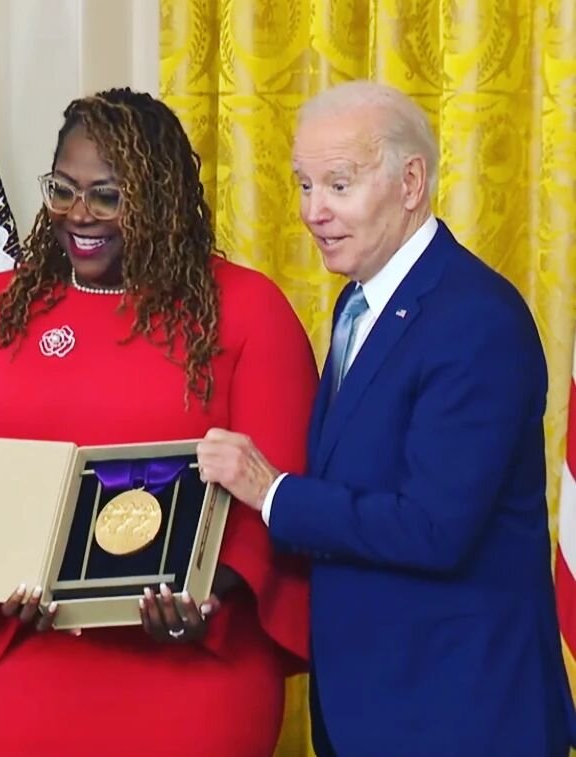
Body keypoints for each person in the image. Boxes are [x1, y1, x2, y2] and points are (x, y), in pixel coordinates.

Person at [0, 88, 319, 757]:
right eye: (63, 189)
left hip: (195, 675)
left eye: (106, 196)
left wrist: (200, 592)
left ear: (160, 196)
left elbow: (283, 494)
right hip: (33, 671)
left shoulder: (250, 310)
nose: (79, 215)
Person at [197, 80, 576, 757]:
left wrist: (272, 491)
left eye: (337, 185)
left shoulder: (473, 318)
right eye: (303, 185)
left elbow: (432, 528)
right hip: (373, 708)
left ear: (409, 182)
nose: (313, 212)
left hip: (462, 715)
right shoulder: (357, 305)